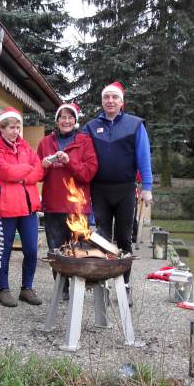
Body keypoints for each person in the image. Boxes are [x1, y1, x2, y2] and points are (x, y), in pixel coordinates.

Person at [82, 81, 152, 289]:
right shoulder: (91, 127)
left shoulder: (135, 125)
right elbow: (81, 155)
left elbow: (144, 157)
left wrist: (147, 187)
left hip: (125, 189)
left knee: (123, 237)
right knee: (102, 236)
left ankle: (124, 282)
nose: (110, 101)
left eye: (114, 97)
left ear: (122, 102)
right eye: (106, 97)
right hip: (99, 189)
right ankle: (103, 278)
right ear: (102, 102)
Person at [37, 103, 98, 300]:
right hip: (53, 205)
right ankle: (61, 290)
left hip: (77, 208)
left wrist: (68, 162)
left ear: (75, 121)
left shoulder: (85, 141)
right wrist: (44, 166)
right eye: (62, 117)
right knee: (56, 251)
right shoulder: (45, 143)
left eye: (70, 117)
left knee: (78, 250)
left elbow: (89, 173)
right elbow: (37, 174)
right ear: (56, 121)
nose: (66, 121)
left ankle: (79, 287)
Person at [0, 107, 44, 307]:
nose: (16, 131)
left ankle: (26, 288)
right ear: (1, 128)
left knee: (31, 250)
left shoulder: (26, 148)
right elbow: (7, 172)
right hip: (6, 208)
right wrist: (25, 171)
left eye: (18, 127)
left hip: (28, 208)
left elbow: (38, 172)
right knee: (5, 250)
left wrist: (23, 173)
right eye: (11, 127)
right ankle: (4, 290)